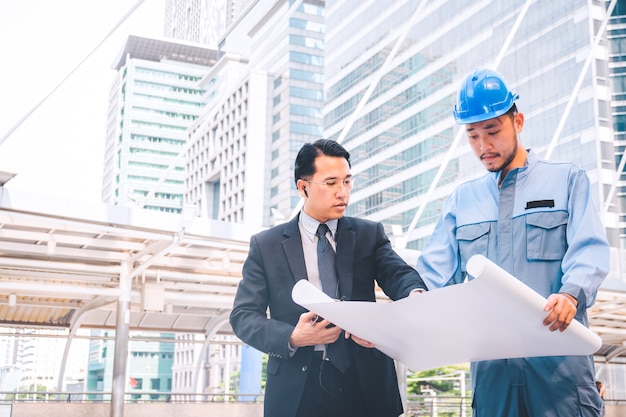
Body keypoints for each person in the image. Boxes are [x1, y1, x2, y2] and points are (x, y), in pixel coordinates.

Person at [415, 68, 610, 417]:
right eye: (472, 135)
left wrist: (571, 293)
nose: (483, 146)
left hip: (559, 369)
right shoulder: (461, 201)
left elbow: (590, 251)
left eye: (492, 132)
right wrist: (401, 316)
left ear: (517, 122)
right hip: (492, 374)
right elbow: (431, 276)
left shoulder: (566, 180)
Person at [230, 139, 428, 417]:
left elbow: (398, 273)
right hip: (298, 386)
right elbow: (243, 316)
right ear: (303, 187)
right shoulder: (267, 245)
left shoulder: (369, 235)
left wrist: (415, 296)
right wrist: (293, 336)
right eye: (331, 183)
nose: (342, 193)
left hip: (365, 381)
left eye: (347, 182)